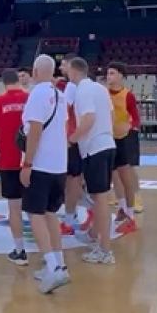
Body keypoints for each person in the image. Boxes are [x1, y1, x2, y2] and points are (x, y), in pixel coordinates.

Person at [20, 54, 69, 294]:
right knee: (51, 214)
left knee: (35, 214)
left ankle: (53, 267)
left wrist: (27, 163)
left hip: (41, 164)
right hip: (59, 164)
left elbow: (35, 131)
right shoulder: (60, 95)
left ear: (35, 71)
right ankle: (60, 263)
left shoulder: (37, 95)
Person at [67, 57, 117, 265]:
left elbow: (88, 118)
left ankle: (105, 250)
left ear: (74, 71)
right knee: (101, 197)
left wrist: (72, 139)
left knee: (100, 199)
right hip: (108, 144)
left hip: (94, 148)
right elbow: (111, 116)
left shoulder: (82, 91)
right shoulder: (100, 89)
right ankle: (94, 234)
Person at [0, 69, 29, 265]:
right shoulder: (31, 98)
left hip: (9, 161)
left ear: (3, 82)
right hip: (32, 161)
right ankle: (49, 253)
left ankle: (20, 251)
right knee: (39, 208)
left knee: (14, 207)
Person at [107, 62, 141, 234]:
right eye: (108, 73)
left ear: (121, 75)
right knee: (114, 177)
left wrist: (130, 126)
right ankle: (122, 208)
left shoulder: (128, 95)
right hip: (109, 139)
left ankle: (131, 217)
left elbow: (136, 118)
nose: (109, 76)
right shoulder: (104, 93)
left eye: (112, 73)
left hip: (123, 139)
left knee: (126, 179)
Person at [57, 54, 86, 236]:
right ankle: (73, 213)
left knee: (72, 180)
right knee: (76, 179)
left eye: (63, 65)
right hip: (82, 138)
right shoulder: (86, 87)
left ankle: (69, 219)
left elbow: (64, 113)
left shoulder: (71, 87)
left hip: (72, 138)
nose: (61, 68)